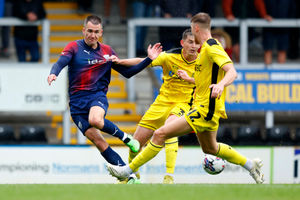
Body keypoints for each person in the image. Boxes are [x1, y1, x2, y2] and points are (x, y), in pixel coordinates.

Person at [106, 12, 265, 184]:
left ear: (196, 28)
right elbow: (205, 78)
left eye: (191, 30)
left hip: (205, 109)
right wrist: (191, 79)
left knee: (161, 134)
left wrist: (221, 85)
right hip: (204, 108)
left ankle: (129, 171)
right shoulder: (203, 49)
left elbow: (232, 72)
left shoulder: (212, 47)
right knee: (210, 148)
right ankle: (250, 165)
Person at [47, 15, 162, 179]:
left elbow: (127, 73)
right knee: (100, 143)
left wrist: (148, 60)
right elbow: (60, 62)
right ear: (83, 30)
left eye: (95, 32)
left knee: (96, 120)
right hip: (76, 105)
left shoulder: (107, 51)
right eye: (89, 31)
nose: (92, 35)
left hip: (96, 96)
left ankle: (126, 138)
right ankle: (127, 176)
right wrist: (53, 73)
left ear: (101, 32)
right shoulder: (73, 47)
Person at [114, 28, 199, 184]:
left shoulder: (203, 62)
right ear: (182, 43)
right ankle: (133, 174)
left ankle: (169, 176)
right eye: (191, 42)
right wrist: (121, 61)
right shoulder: (170, 57)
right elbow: (143, 61)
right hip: (161, 103)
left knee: (169, 129)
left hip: (183, 104)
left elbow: (208, 84)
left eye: (197, 43)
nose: (194, 46)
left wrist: (190, 80)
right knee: (135, 144)